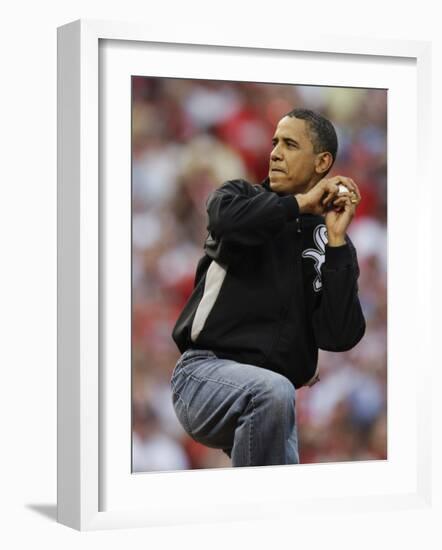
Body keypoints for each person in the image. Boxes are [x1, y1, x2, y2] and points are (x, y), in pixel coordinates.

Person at [170, 108, 366, 467]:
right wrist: (302, 203)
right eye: (275, 142)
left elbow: (340, 335)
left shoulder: (328, 242)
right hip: (203, 377)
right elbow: (227, 223)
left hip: (273, 400)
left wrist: (337, 243)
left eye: (290, 144)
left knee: (287, 502)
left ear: (322, 162)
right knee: (273, 391)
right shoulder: (238, 197)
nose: (274, 152)